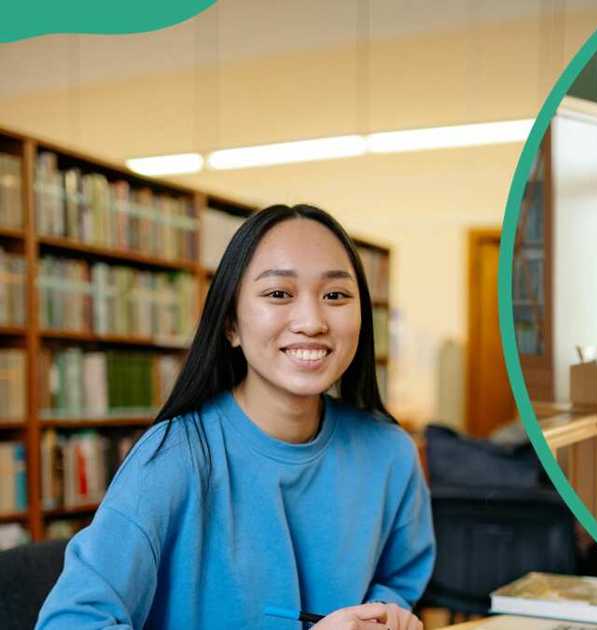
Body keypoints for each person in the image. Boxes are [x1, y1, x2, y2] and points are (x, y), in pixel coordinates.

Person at [37, 204, 433, 630]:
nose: (312, 321)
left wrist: (382, 615)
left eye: (335, 295)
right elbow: (68, 623)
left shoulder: (390, 452)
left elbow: (396, 581)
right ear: (231, 325)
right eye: (279, 293)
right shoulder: (172, 458)